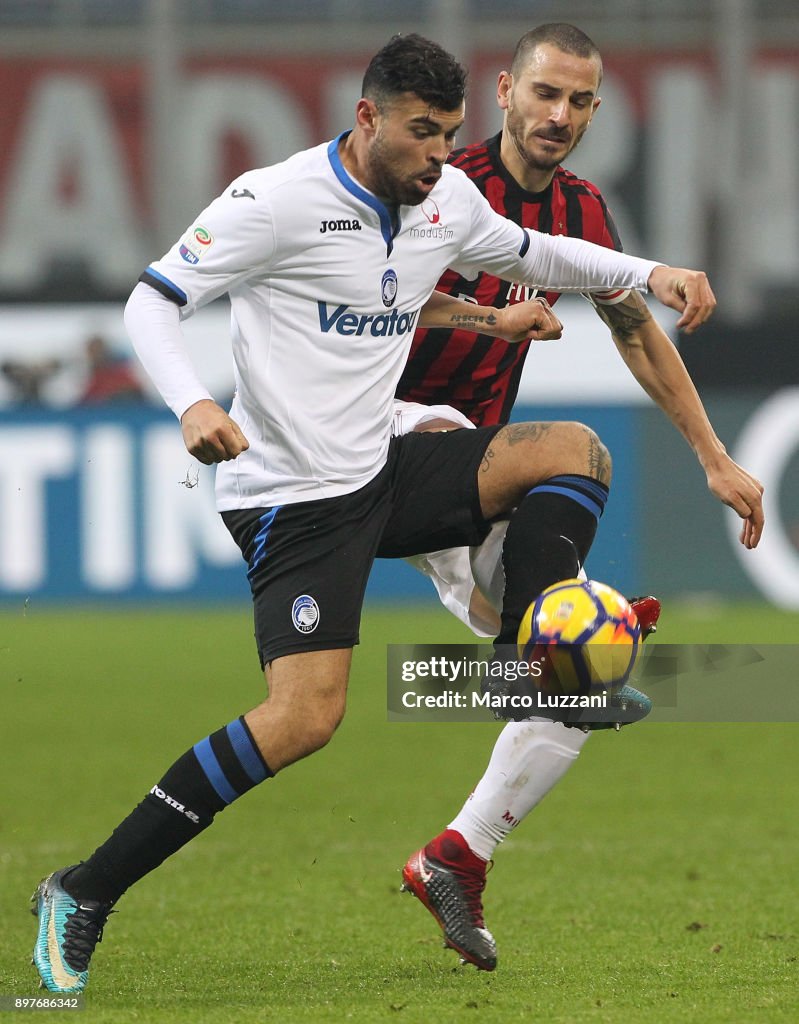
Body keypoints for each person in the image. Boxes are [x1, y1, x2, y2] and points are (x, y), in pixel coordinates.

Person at [30, 32, 720, 994]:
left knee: (573, 451)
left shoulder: (442, 198)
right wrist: (192, 401)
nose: (437, 155)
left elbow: (538, 252)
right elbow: (155, 301)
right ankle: (82, 890)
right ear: (366, 119)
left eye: (447, 135)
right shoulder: (273, 201)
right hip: (293, 498)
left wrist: (649, 273)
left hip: (386, 460)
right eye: (419, 134)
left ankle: (533, 659)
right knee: (304, 719)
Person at [395, 24, 765, 972]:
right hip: (387, 437)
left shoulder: (578, 210)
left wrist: (712, 457)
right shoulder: (438, 182)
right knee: (562, 615)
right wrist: (486, 313)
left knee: (585, 663)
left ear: (595, 111)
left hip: (481, 470)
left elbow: (637, 330)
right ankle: (538, 639)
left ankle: (457, 855)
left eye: (579, 102)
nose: (558, 116)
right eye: (544, 94)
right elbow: (372, 300)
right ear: (505, 90)